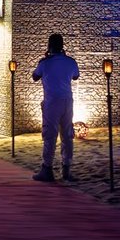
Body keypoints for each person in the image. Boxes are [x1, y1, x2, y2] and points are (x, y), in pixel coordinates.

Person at [32, 32, 81, 182]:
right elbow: (75, 76)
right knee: (67, 135)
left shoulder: (45, 63)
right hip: (67, 101)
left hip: (52, 102)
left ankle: (47, 169)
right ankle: (66, 169)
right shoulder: (70, 62)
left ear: (49, 45)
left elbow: (35, 76)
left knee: (50, 135)